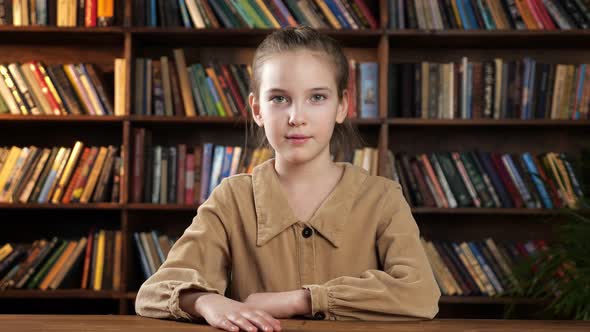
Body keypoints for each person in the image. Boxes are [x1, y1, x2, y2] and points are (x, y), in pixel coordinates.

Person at [135, 26, 440, 332]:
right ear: (257, 110)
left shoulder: (382, 197)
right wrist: (205, 302)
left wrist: (301, 300)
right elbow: (154, 293)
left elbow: (420, 294)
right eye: (279, 99)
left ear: (342, 105)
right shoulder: (233, 199)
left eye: (317, 97)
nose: (296, 117)